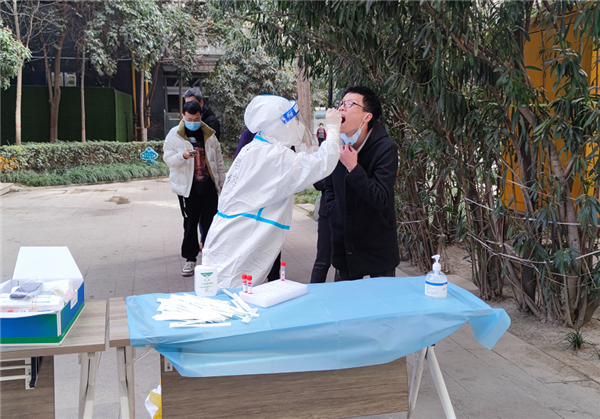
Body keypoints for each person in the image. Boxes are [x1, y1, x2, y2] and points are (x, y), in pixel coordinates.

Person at [203, 95, 342, 288]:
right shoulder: (273, 156)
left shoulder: (255, 149)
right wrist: (333, 129)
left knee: (223, 289)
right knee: (229, 292)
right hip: (240, 242)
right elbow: (323, 163)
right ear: (279, 125)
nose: (297, 125)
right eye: (293, 120)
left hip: (231, 237)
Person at [324, 86, 399, 281]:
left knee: (382, 299)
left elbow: (381, 198)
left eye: (350, 104)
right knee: (345, 299)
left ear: (367, 117)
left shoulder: (385, 148)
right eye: (341, 103)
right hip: (345, 242)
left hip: (378, 244)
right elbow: (328, 186)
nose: (341, 108)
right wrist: (333, 211)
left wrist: (353, 167)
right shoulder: (335, 145)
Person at [163, 100, 226, 277]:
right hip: (187, 188)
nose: (193, 122)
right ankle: (190, 259)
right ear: (183, 116)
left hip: (209, 187)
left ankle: (210, 258)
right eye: (189, 119)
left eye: (196, 119)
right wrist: (182, 156)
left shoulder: (209, 134)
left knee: (210, 224)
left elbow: (218, 161)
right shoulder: (174, 135)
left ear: (201, 117)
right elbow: (168, 159)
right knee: (190, 224)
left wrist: (222, 182)